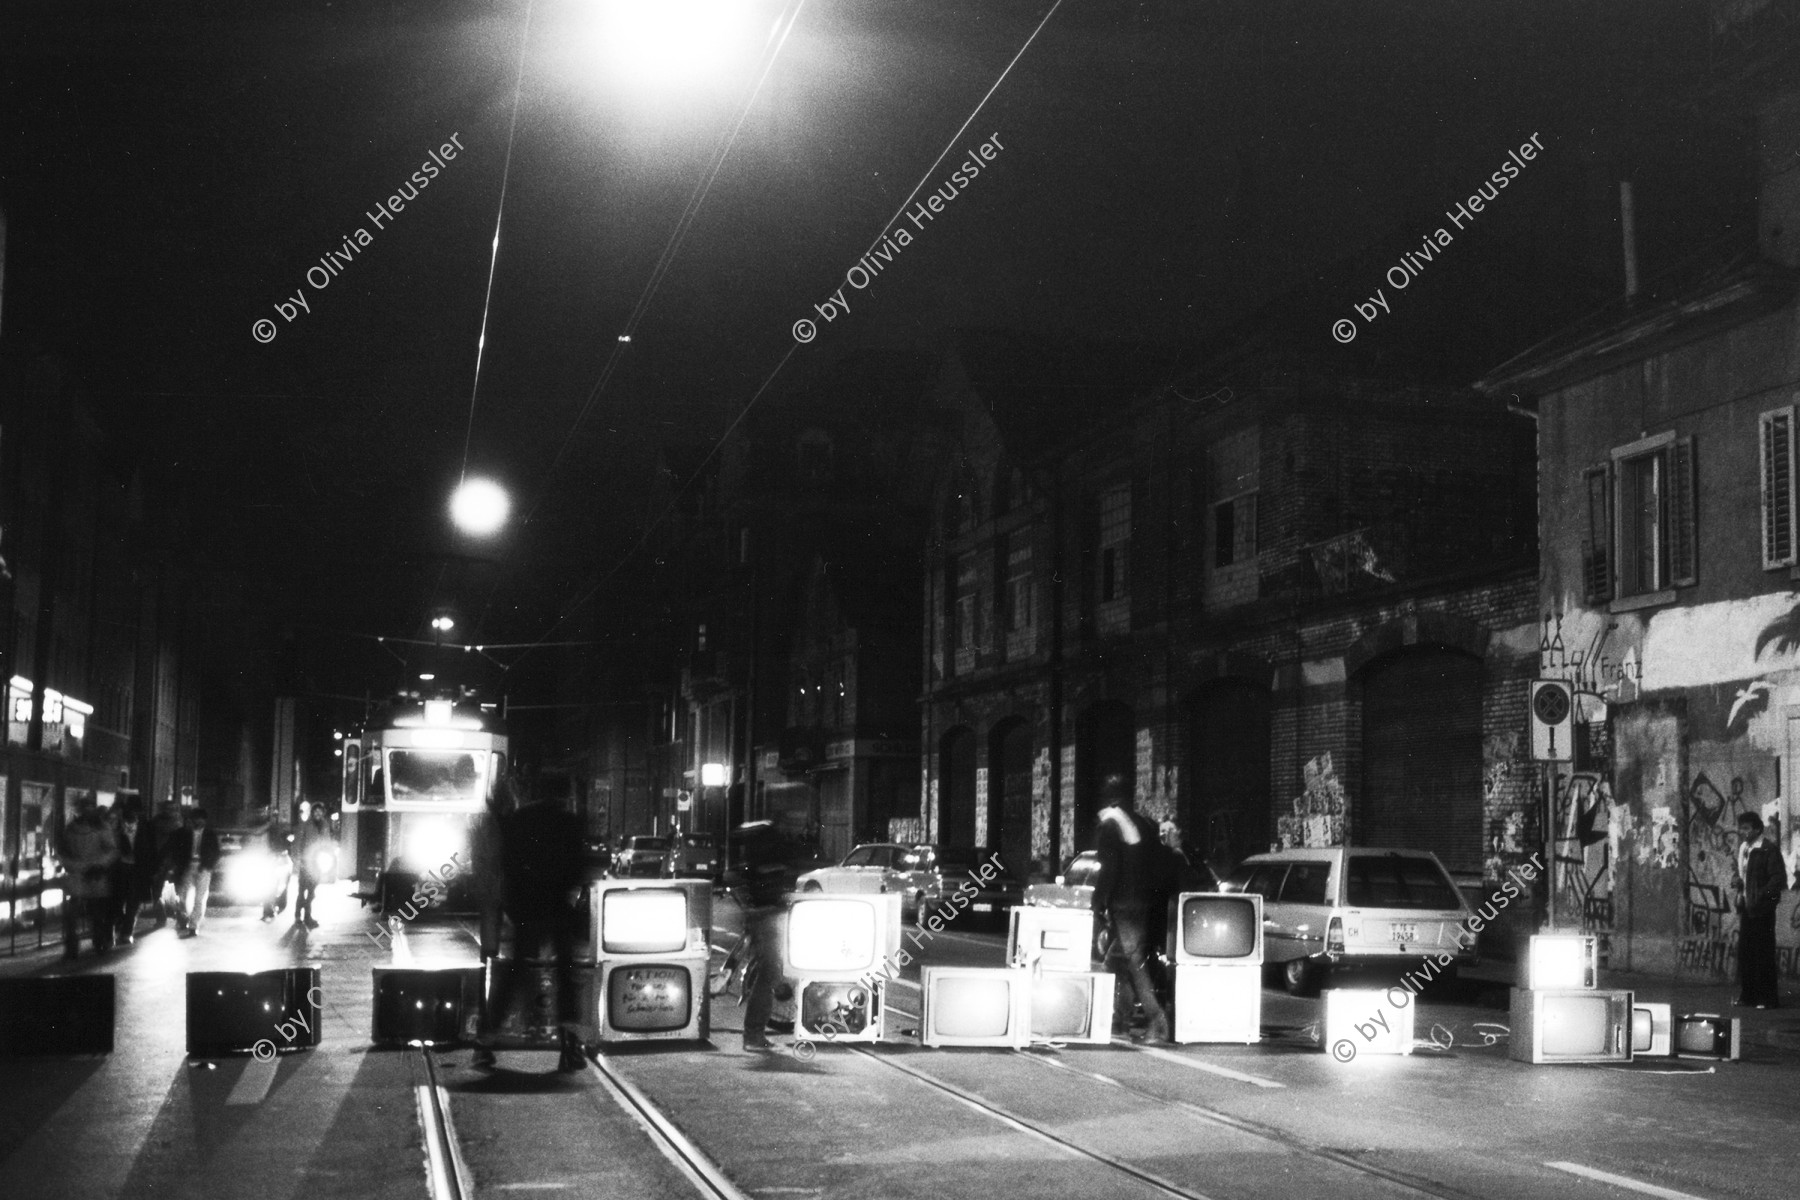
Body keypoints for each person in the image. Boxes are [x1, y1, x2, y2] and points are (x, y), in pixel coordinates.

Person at [474, 778, 586, 1072]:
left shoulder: (520, 820)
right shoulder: (569, 822)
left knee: (516, 969)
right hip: (557, 906)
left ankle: (486, 1040)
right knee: (565, 970)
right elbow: (578, 867)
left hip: (527, 907)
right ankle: (570, 1043)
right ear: (564, 796)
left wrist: (515, 903)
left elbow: (508, 864)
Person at [1091, 774, 1170, 1042]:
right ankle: (1119, 1020)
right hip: (1142, 902)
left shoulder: (1110, 823)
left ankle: (1157, 1021)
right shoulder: (1142, 823)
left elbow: (1108, 868)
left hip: (1122, 904)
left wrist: (1098, 901)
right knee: (1115, 961)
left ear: (1110, 796)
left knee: (1134, 962)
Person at [726, 820, 791, 1051]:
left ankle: (754, 1033)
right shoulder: (766, 860)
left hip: (763, 917)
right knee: (768, 974)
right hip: (766, 920)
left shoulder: (756, 861)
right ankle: (753, 1034)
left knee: (768, 973)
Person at [1735, 812, 1785, 1009]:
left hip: (1762, 909)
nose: (1742, 832)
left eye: (1746, 828)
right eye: (1742, 828)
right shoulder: (1744, 848)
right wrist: (1738, 882)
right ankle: (1748, 996)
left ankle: (1768, 998)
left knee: (1763, 954)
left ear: (1757, 829)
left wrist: (1762, 895)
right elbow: (1743, 874)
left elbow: (1777, 879)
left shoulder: (1768, 849)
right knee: (1746, 953)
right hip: (1747, 907)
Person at [59, 800, 119, 956]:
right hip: (78, 873)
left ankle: (98, 940)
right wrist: (70, 865)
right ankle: (72, 944)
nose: (86, 812)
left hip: (95, 873)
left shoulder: (101, 828)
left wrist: (99, 864)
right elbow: (64, 851)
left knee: (96, 911)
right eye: (83, 809)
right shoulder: (71, 828)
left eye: (89, 809)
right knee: (72, 914)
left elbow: (111, 850)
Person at [167, 808, 221, 936]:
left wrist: (208, 865)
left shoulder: (210, 834)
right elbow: (176, 849)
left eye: (200, 819)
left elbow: (216, 852)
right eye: (196, 819)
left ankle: (193, 925)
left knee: (200, 898)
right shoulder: (184, 833)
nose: (198, 821)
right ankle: (184, 917)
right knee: (182, 896)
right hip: (187, 866)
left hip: (203, 867)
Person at [112, 803, 157, 945]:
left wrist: (151, 870)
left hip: (138, 869)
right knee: (118, 901)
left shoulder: (146, 828)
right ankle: (121, 925)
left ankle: (127, 932)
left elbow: (151, 849)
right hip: (120, 868)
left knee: (133, 902)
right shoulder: (117, 829)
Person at [291, 801, 331, 928]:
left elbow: (327, 842)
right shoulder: (305, 825)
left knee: (312, 892)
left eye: (320, 811)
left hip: (316, 864)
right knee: (302, 891)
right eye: (316, 811)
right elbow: (297, 843)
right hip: (305, 863)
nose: (318, 814)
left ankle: (307, 916)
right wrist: (297, 860)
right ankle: (298, 916)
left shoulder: (325, 825)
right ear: (312, 813)